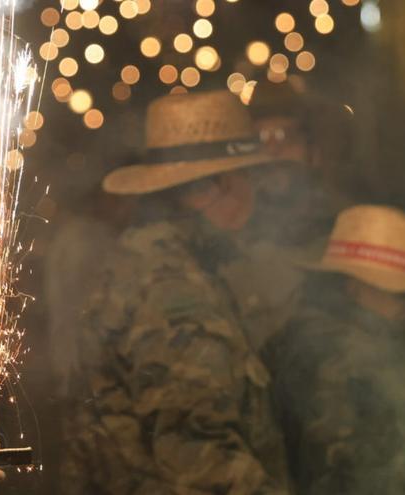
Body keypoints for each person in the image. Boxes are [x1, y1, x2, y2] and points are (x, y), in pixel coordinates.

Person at [62, 90, 291, 494]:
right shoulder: (176, 292)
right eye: (248, 176)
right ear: (218, 186)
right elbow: (202, 463)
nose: (256, 194)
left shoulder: (150, 258)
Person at [264, 205, 405, 495]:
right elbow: (340, 474)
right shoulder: (327, 355)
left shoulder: (372, 341)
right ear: (353, 288)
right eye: (402, 294)